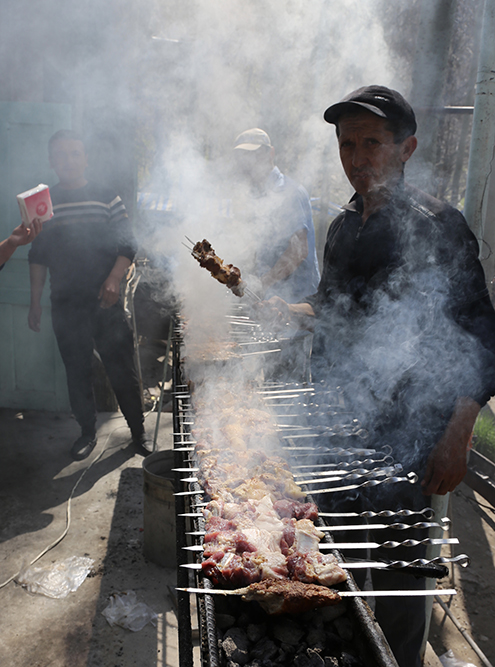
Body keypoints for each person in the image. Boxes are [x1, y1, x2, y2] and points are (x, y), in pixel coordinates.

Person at [256, 86, 495, 667]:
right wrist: (290, 311)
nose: (357, 157)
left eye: (372, 143)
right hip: (337, 424)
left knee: (398, 575)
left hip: (408, 436)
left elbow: (482, 334)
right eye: (346, 144)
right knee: (340, 558)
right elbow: (330, 305)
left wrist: (458, 434)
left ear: (406, 148)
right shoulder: (342, 224)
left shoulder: (439, 224)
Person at [28, 129, 151, 460]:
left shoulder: (106, 196)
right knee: (77, 370)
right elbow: (37, 255)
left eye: (75, 154)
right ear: (52, 161)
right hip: (66, 303)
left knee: (121, 368)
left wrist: (114, 278)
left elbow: (127, 244)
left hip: (105, 300)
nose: (68, 160)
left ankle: (138, 432)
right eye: (61, 155)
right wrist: (35, 301)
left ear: (85, 158)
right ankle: (86, 432)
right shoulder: (44, 204)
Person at [232, 128, 320, 380]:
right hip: (271, 306)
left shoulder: (289, 192)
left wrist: (263, 283)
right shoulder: (256, 196)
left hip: (296, 306)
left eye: (255, 156)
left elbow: (298, 251)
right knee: (270, 378)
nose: (248, 165)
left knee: (289, 383)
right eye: (244, 159)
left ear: (270, 154)